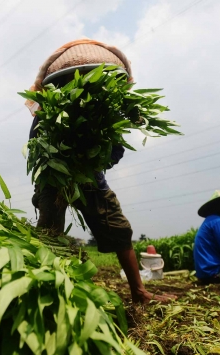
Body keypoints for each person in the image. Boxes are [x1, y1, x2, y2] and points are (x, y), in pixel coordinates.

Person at [26, 39, 176, 304]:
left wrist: (94, 159)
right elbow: (37, 148)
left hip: (92, 181)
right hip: (54, 180)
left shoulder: (105, 112)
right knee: (50, 235)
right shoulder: (48, 111)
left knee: (119, 230)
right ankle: (48, 292)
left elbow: (115, 152)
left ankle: (139, 292)